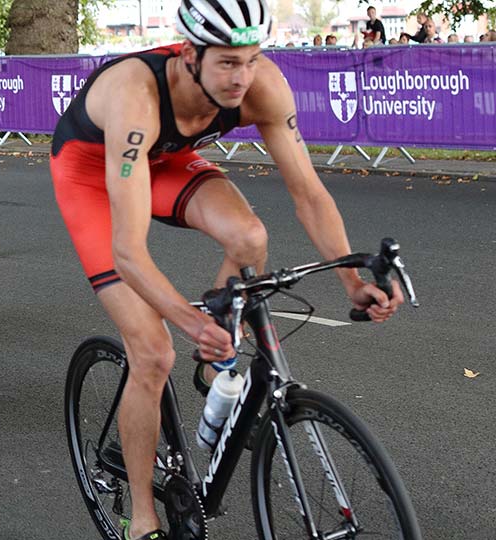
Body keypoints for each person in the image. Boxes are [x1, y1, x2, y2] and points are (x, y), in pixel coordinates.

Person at [49, 0, 404, 537]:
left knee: (250, 236)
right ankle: (141, 517)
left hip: (165, 160)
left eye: (252, 59)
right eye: (228, 63)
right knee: (152, 351)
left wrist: (352, 281)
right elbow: (129, 252)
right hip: (92, 174)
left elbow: (308, 192)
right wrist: (187, 321)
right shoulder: (135, 94)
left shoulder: (262, 85)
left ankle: (213, 363)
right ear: (189, 54)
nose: (243, 77)